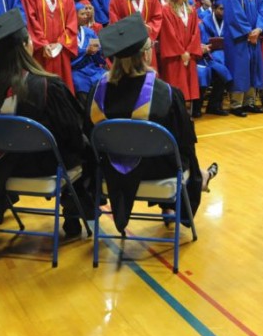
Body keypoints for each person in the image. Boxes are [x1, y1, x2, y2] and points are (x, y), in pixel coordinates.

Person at [86, 14, 218, 231]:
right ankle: (192, 187)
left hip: (109, 174)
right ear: (146, 54)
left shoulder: (95, 94)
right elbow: (184, 142)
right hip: (158, 173)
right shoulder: (166, 93)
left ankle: (196, 180)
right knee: (181, 150)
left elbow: (88, 135)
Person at [0, 9, 91, 234]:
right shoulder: (47, 87)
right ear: (26, 46)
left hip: (0, 170)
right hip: (45, 167)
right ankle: (72, 210)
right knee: (82, 150)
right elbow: (71, 135)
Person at [20, 0, 78, 93]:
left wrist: (60, 44)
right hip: (40, 51)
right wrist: (43, 44)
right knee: (40, 87)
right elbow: (30, 19)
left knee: (61, 86)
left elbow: (72, 23)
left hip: (60, 50)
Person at [223, 0, 263, 116]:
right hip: (239, 37)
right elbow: (234, 13)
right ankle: (236, 104)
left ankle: (250, 102)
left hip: (253, 35)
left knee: (253, 66)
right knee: (240, 67)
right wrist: (249, 32)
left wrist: (259, 28)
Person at [109, 0, 163, 72]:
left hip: (146, 45)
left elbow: (157, 17)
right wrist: (133, 32)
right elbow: (115, 21)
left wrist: (148, 30)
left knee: (147, 81)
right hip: (127, 47)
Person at [160, 0, 203, 104]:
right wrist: (181, 52)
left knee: (189, 88)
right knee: (176, 87)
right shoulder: (166, 10)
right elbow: (169, 34)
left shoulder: (191, 10)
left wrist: (189, 52)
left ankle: (186, 115)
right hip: (175, 56)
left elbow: (196, 32)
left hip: (189, 55)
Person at [71, 0, 108, 101]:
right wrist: (85, 52)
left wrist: (98, 49)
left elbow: (98, 53)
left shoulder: (89, 32)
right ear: (74, 16)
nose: (85, 16)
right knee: (79, 83)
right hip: (77, 70)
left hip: (92, 68)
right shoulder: (68, 34)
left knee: (107, 77)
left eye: (86, 14)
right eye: (82, 14)